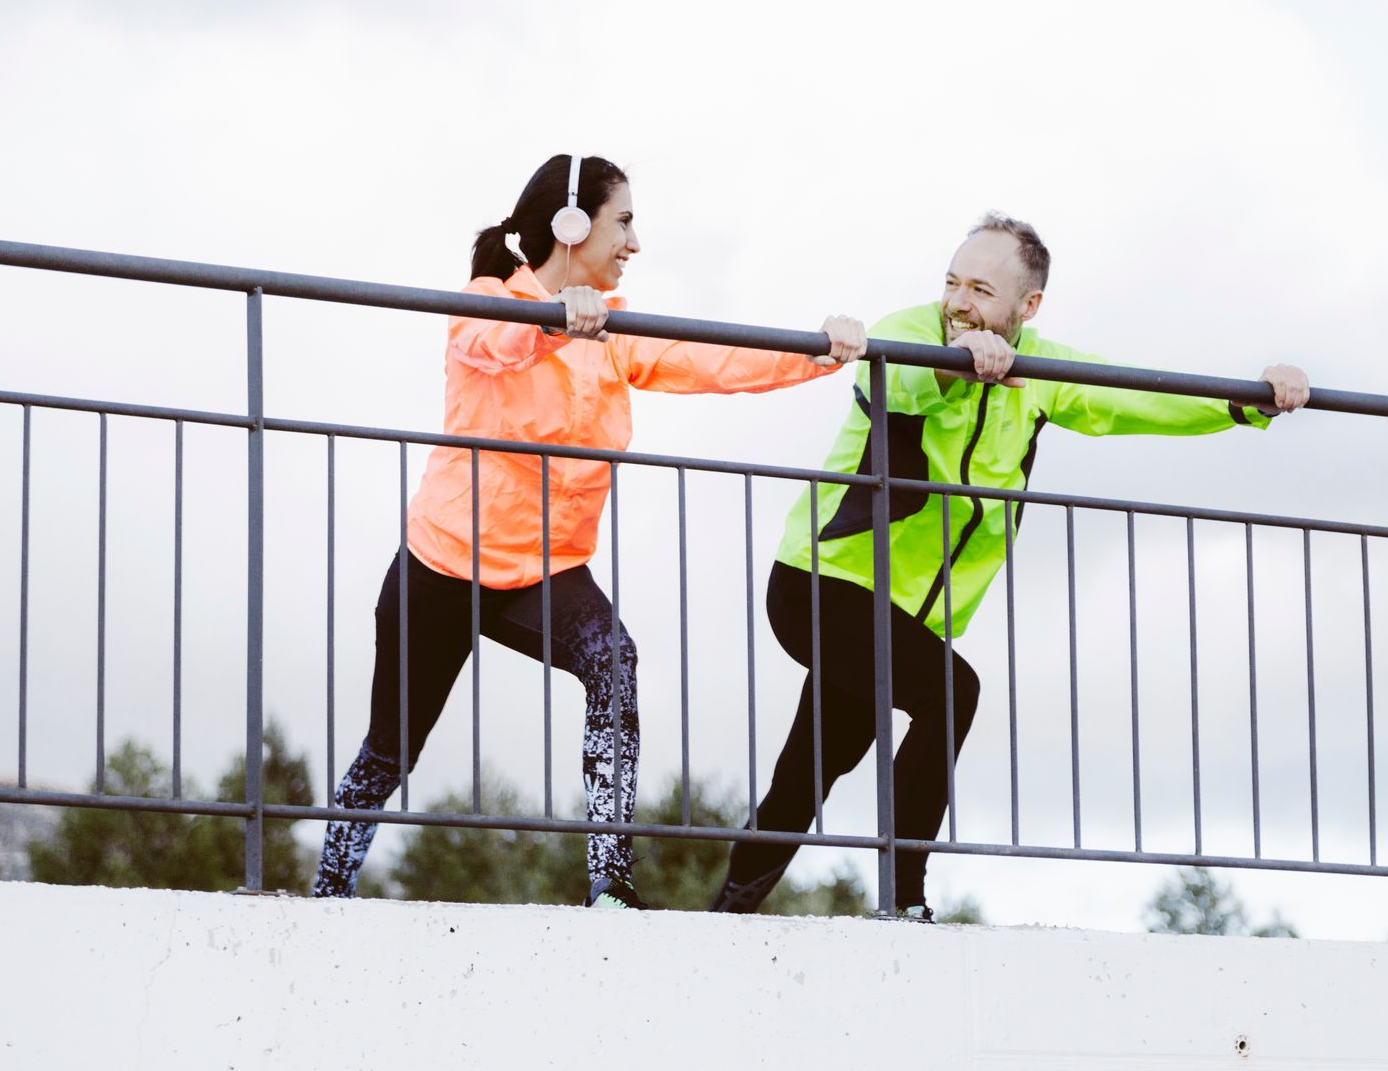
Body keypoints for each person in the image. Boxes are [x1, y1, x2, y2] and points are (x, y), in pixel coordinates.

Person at [709, 211, 1308, 920]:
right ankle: (903, 903)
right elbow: (899, 384)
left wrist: (1250, 400)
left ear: (1028, 307)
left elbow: (1133, 397)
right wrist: (960, 369)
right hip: (821, 581)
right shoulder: (910, 332)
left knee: (811, 767)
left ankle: (726, 916)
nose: (959, 302)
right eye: (952, 282)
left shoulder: (1041, 370)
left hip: (904, 615)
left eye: (981, 291)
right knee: (950, 692)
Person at [313, 153, 866, 909]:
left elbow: (709, 360)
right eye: (624, 222)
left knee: (615, 662)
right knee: (390, 749)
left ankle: (610, 881)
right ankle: (328, 892)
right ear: (571, 224)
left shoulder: (613, 329)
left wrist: (816, 349)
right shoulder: (485, 301)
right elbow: (496, 345)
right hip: (441, 564)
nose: (635, 242)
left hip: (545, 572)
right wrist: (551, 321)